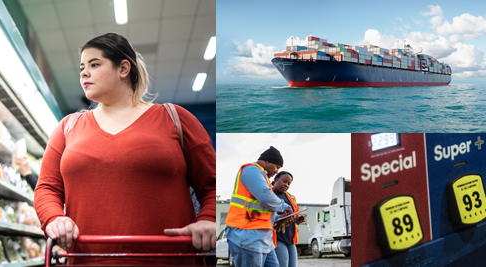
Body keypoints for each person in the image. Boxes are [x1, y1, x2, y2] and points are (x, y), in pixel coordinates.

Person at [33, 33, 216, 265]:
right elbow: (47, 188)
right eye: (82, 67)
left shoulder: (175, 119)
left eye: (94, 64)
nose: (84, 72)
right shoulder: (68, 128)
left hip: (169, 260)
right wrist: (54, 218)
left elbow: (213, 184)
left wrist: (209, 219)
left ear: (123, 69)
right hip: (87, 260)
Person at [224, 146, 293, 267]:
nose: (277, 171)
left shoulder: (262, 176)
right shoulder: (251, 170)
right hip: (246, 237)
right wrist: (284, 207)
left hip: (263, 241)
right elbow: (266, 198)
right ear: (267, 161)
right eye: (277, 167)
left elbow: (261, 210)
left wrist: (278, 218)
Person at [272, 171, 305, 267]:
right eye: (284, 181)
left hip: (290, 238)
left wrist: (297, 219)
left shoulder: (291, 197)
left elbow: (293, 216)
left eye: (289, 183)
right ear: (276, 179)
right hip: (277, 237)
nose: (286, 185)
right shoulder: (268, 194)